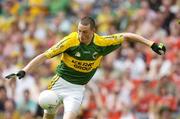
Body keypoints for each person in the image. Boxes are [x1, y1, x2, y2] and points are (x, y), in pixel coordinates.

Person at [5, 16, 166, 119]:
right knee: (49, 112)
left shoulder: (101, 43)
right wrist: (25, 70)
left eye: (85, 32)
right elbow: (44, 55)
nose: (81, 35)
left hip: (77, 89)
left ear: (93, 31)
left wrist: (151, 44)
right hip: (59, 83)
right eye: (79, 31)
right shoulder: (70, 41)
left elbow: (127, 35)